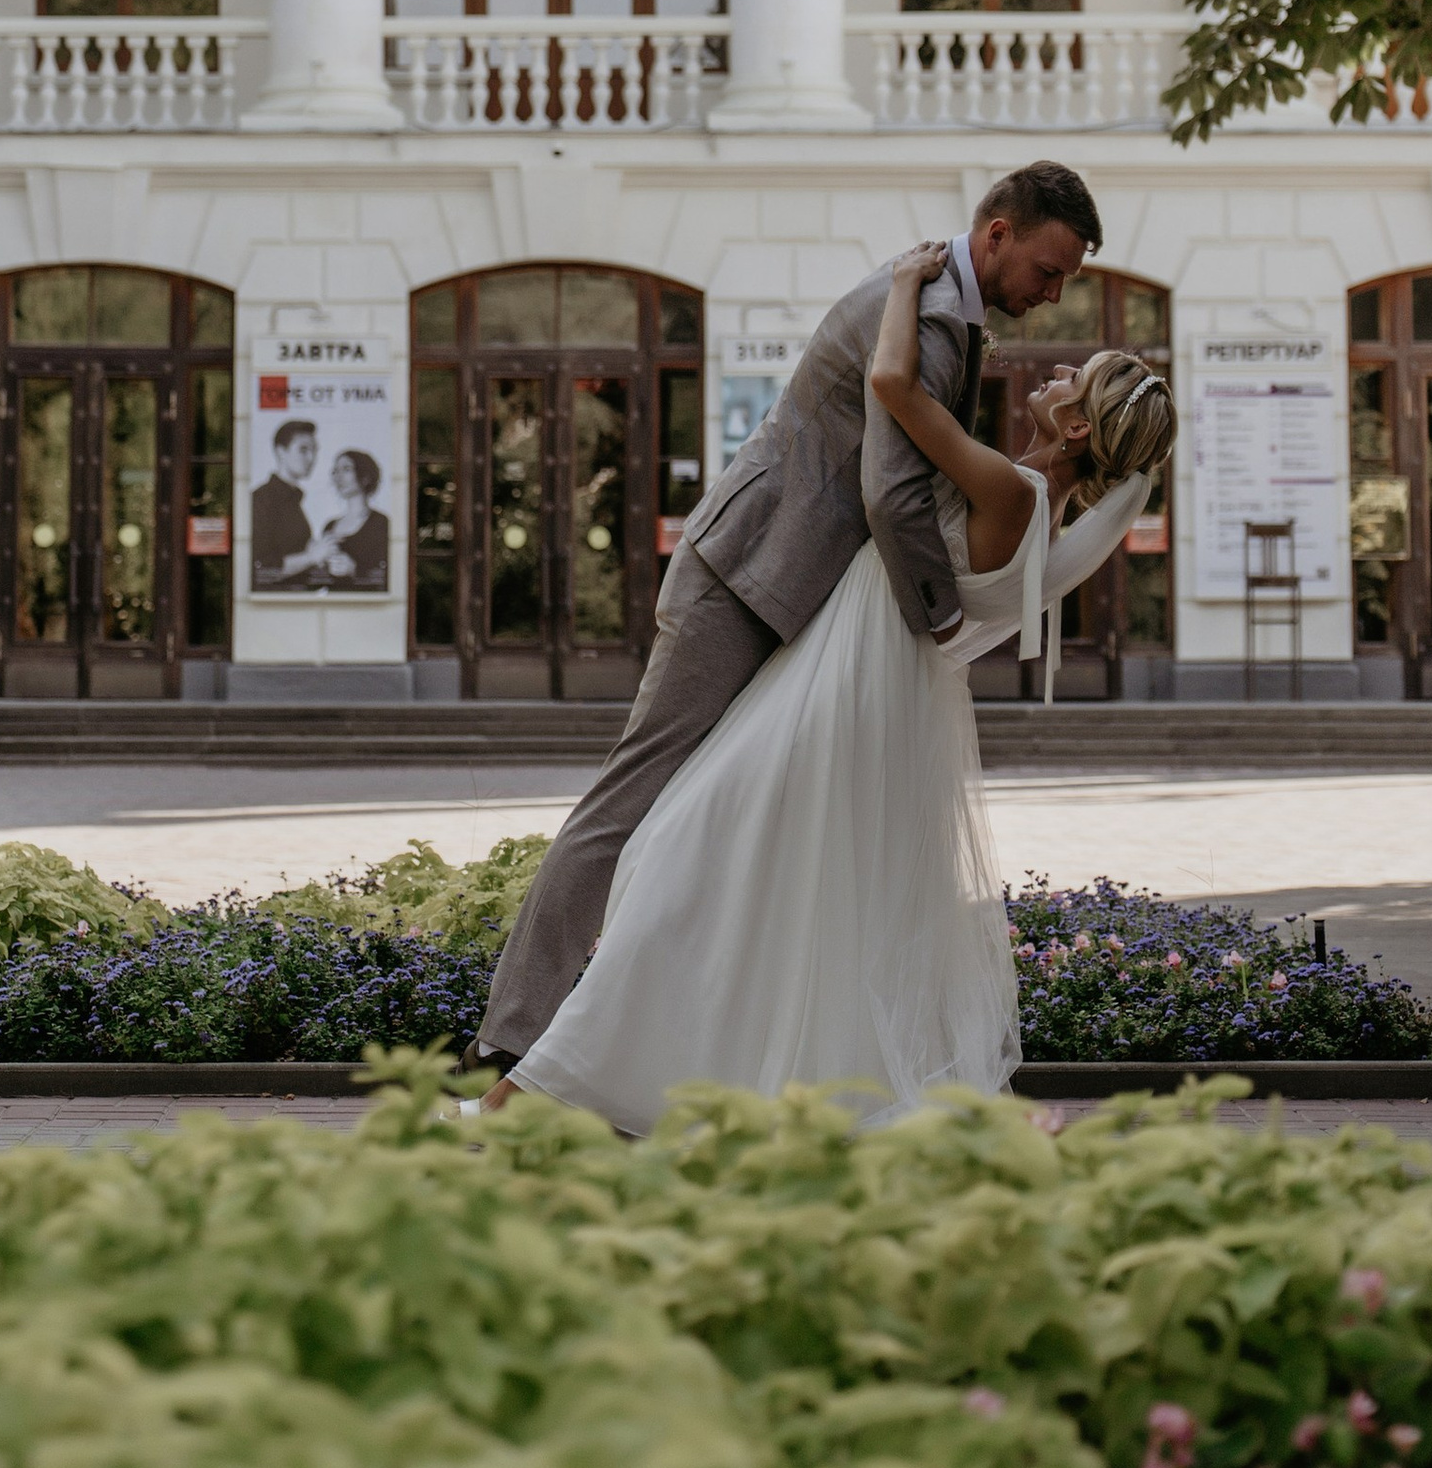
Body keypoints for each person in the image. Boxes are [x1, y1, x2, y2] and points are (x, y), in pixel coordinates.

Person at [504, 255, 1176, 1132]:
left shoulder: (1013, 489)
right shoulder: (1031, 499)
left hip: (847, 682)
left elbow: (893, 383)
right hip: (861, 676)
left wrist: (902, 285)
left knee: (686, 852)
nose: (1051, 373)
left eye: (1069, 380)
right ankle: (643, 1079)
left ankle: (548, 1086)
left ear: (1080, 427)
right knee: (742, 874)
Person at [250, 417, 321, 588]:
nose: (311, 458)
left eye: (314, 450)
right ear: (281, 452)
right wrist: (311, 557)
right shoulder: (261, 500)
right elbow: (262, 569)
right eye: (303, 450)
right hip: (272, 605)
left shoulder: (293, 499)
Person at [311, 447, 390, 591]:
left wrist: (354, 570)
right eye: (335, 471)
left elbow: (389, 576)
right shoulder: (330, 526)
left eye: (346, 469)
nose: (338, 477)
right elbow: (320, 582)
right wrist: (315, 559)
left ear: (365, 476)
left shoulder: (381, 524)